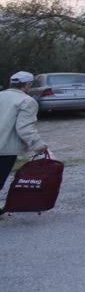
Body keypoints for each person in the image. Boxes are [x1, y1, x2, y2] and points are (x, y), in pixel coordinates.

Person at [1, 71, 48, 212]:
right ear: (28, 84)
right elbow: (25, 128)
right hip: (5, 148)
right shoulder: (27, 101)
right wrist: (38, 145)